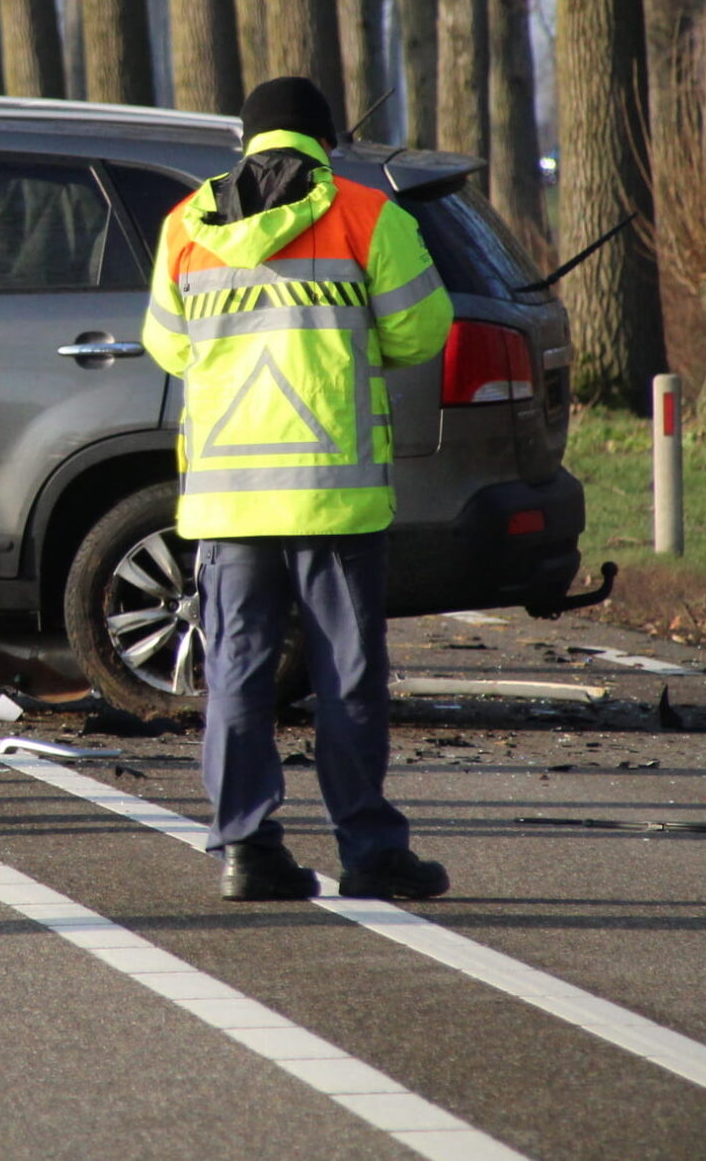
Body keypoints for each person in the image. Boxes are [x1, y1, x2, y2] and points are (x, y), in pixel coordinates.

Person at [140, 76, 455, 903]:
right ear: (324, 139)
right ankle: (370, 851)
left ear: (246, 140)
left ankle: (247, 849)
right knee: (346, 675)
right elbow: (422, 330)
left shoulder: (186, 224)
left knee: (238, 671)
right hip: (331, 494)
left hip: (229, 496)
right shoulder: (367, 215)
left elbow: (168, 347)